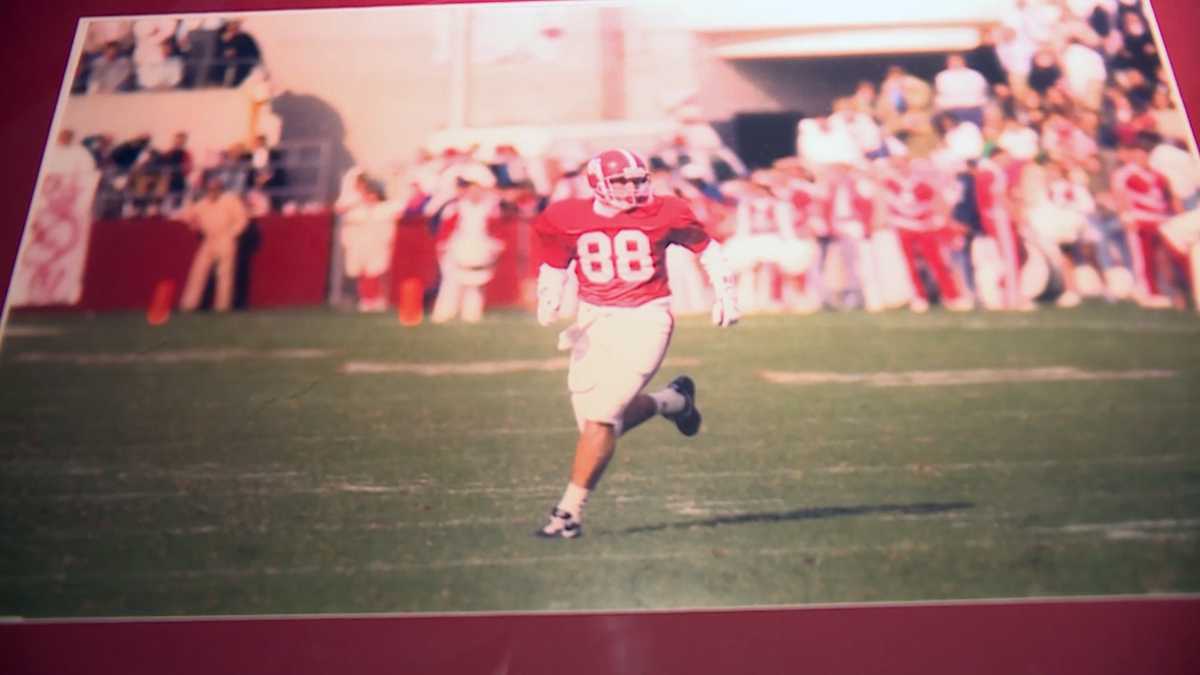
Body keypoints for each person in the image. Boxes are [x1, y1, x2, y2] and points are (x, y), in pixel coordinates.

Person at [531, 148, 739, 539]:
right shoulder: (565, 216)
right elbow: (556, 258)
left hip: (646, 318)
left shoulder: (666, 211)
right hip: (593, 320)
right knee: (598, 421)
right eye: (621, 181)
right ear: (597, 183)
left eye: (636, 180)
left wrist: (725, 292)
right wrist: (550, 292)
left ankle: (568, 513)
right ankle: (673, 401)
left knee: (602, 418)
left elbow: (706, 248)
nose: (631, 189)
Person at [179, 176, 249, 312]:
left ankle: (222, 307)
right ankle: (188, 305)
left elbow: (242, 220)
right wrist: (190, 202)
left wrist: (231, 234)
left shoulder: (230, 200)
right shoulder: (202, 203)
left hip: (225, 239)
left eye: (215, 189)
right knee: (198, 272)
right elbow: (187, 216)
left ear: (220, 189)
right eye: (209, 189)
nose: (212, 192)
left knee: (224, 275)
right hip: (209, 240)